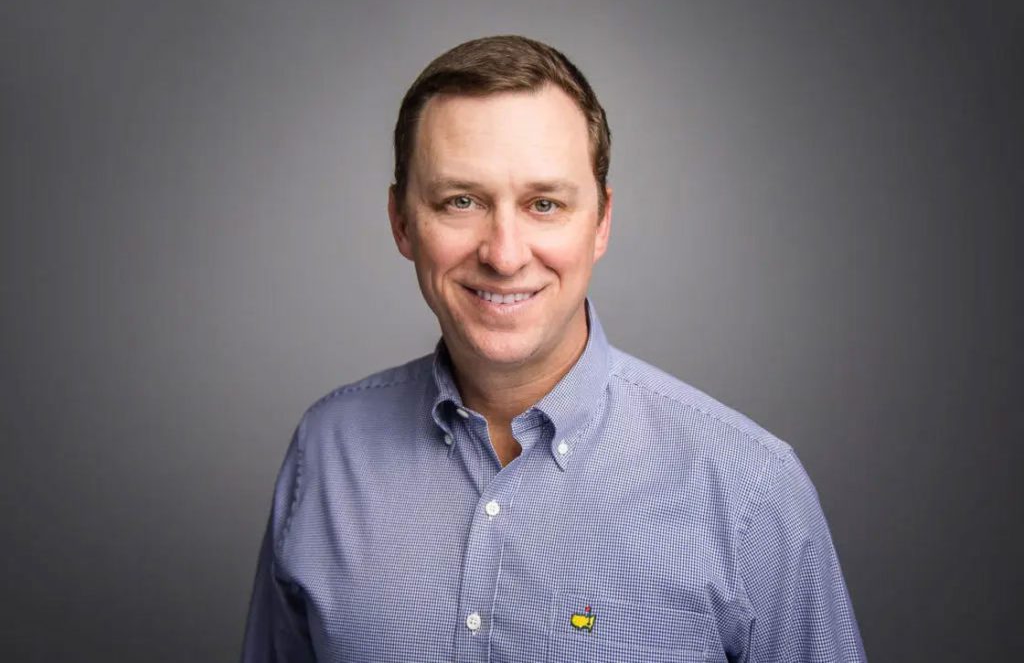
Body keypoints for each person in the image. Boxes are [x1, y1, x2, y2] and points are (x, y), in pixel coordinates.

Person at [241, 34, 867, 662]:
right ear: (402, 222)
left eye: (545, 204)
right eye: (461, 201)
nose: (505, 254)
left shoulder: (751, 488)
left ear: (601, 222)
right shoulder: (327, 453)